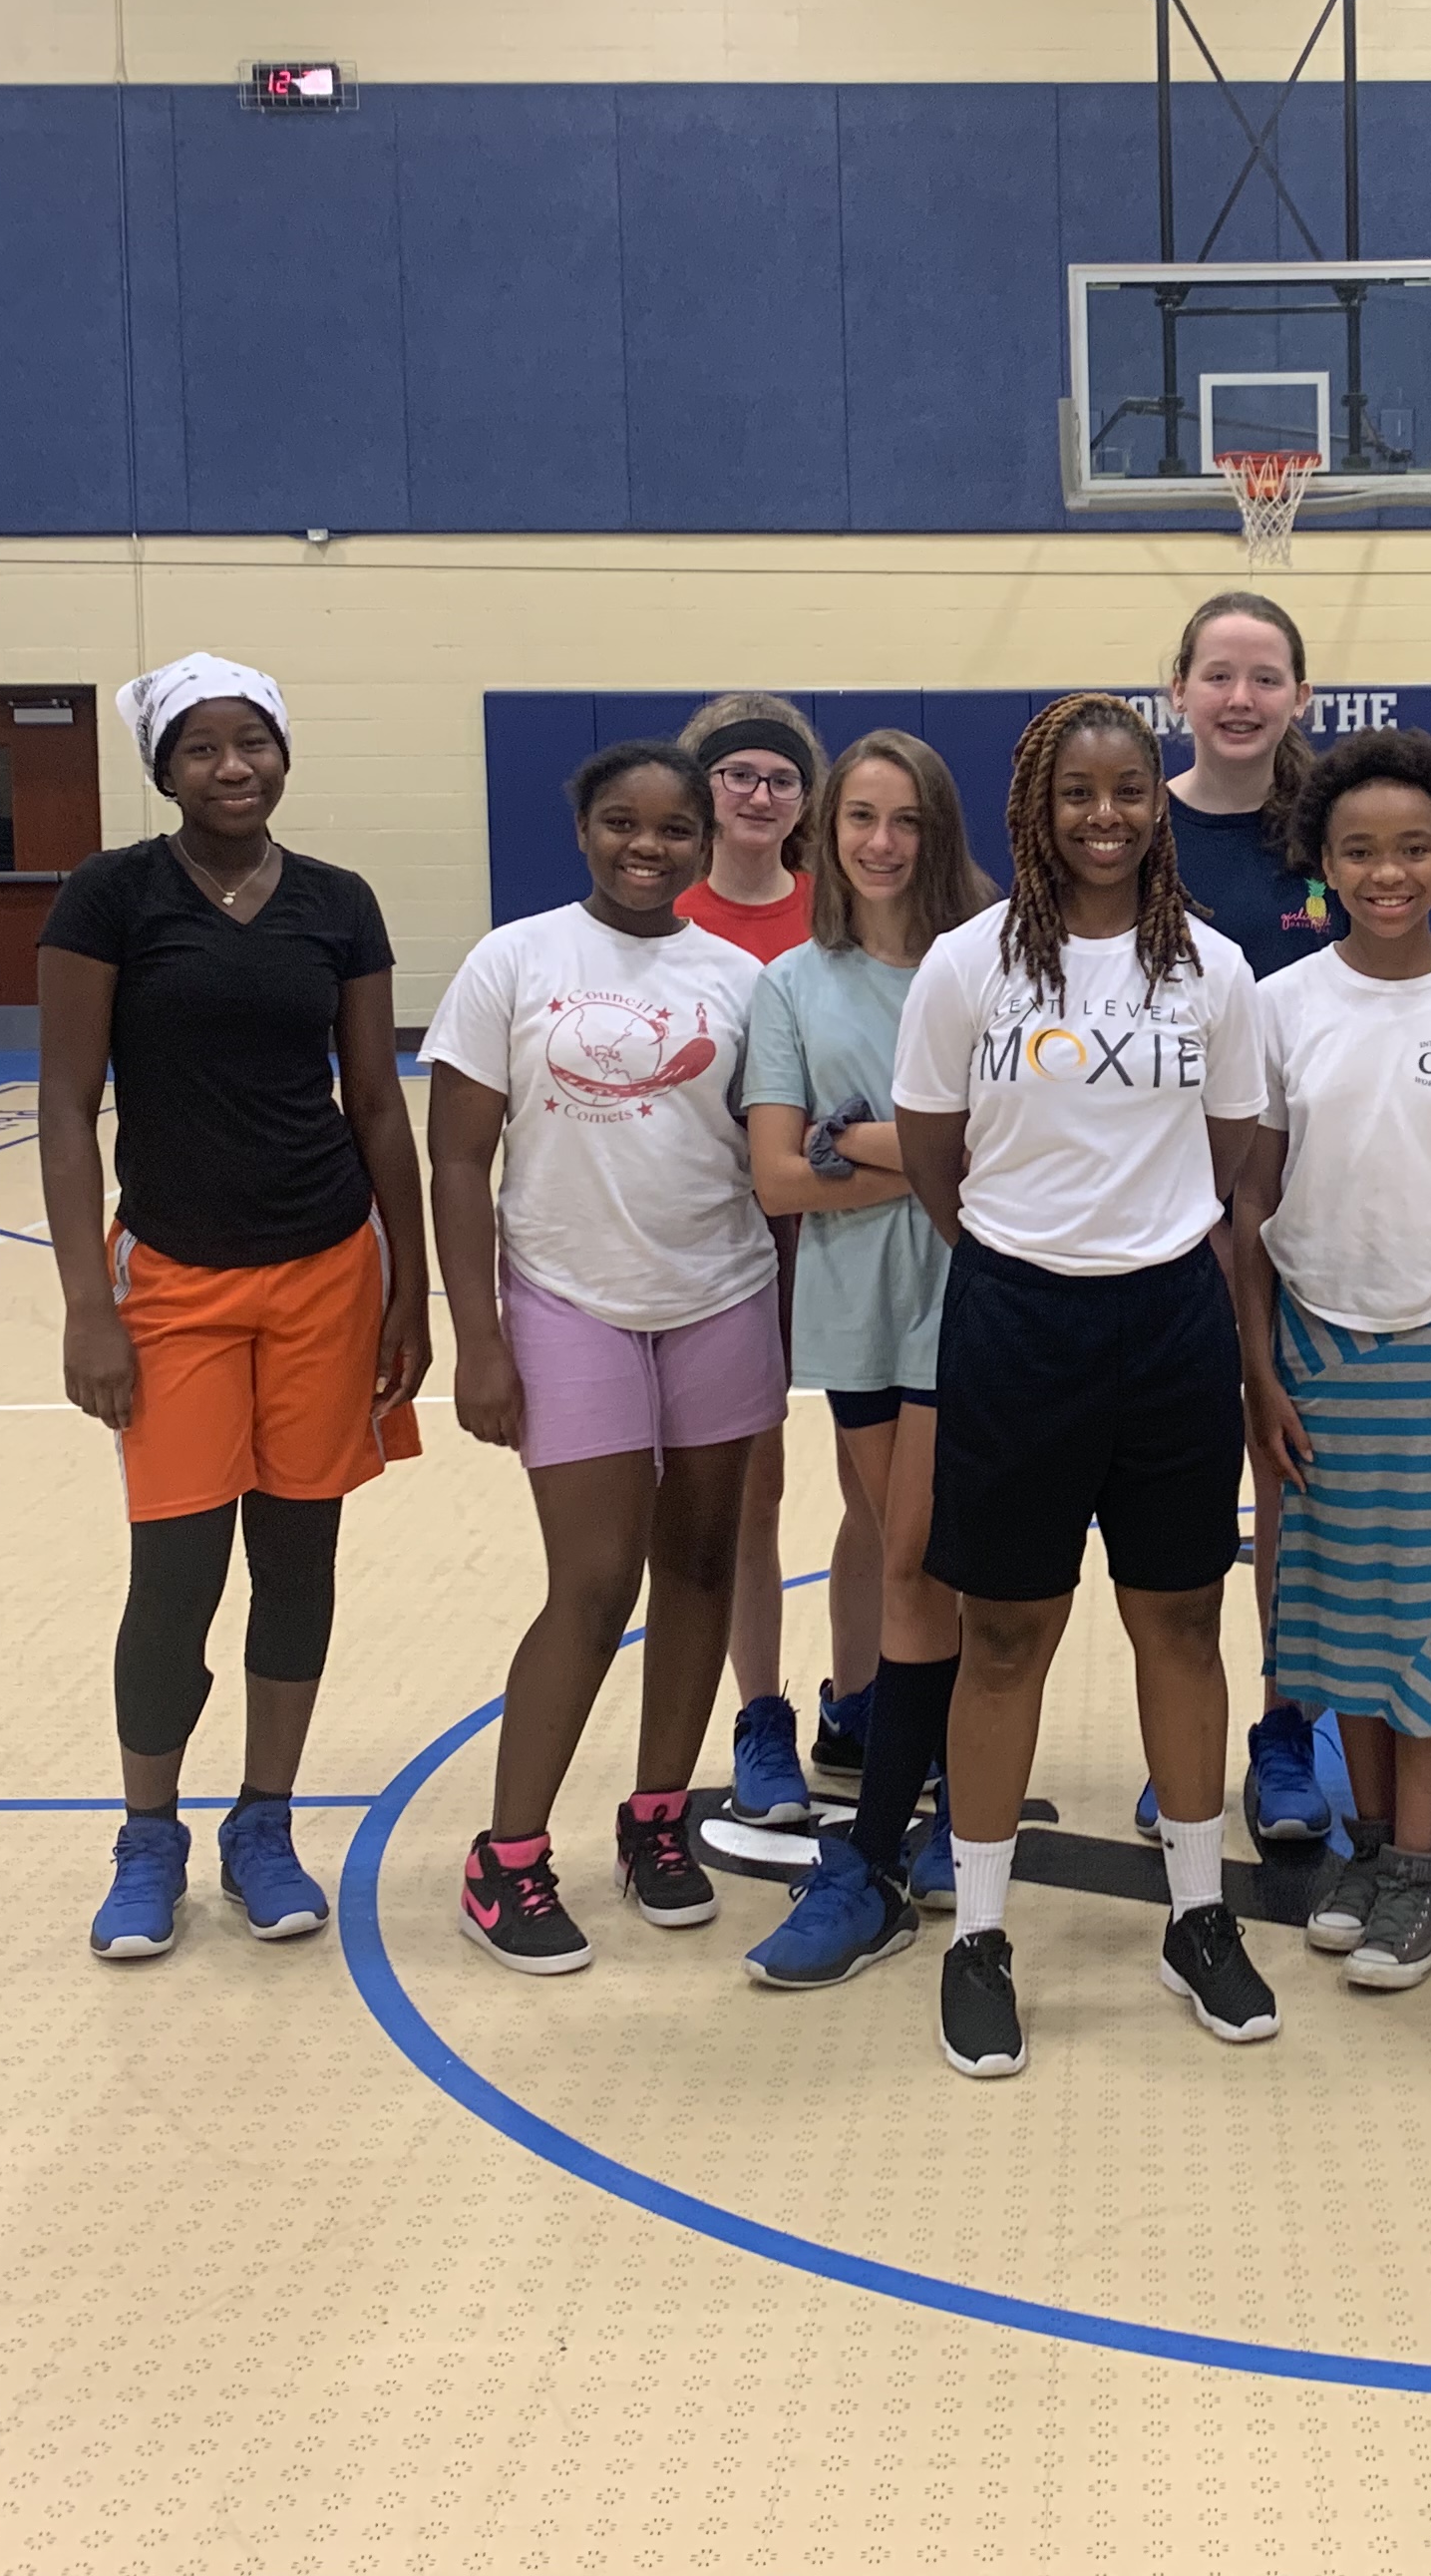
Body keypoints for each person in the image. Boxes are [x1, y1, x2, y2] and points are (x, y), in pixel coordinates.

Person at [892, 692, 1275, 2079]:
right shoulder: (967, 966)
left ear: (1156, 805)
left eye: (1129, 792)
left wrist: (1137, 1236)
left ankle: (1197, 1913)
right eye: (1077, 795)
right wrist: (1031, 1255)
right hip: (1014, 1318)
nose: (1105, 816)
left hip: (1171, 1321)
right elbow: (934, 1151)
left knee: (1180, 1618)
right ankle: (979, 1936)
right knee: (1005, 1634)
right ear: (1035, 811)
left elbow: (1232, 1146)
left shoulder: (1214, 972)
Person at [43, 654, 432, 1963]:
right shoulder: (113, 897)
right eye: (201, 747)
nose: (231, 766)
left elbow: (379, 1104)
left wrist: (410, 1290)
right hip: (175, 1283)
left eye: (252, 742)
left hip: (327, 1269)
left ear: (283, 754)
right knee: (176, 1570)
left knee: (298, 1558)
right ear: (163, 767)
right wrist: (86, 1307)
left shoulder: (338, 903)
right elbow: (61, 1108)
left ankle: (263, 1821)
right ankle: (147, 1833)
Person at [423, 740, 785, 1976]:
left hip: (720, 1294)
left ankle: (658, 1821)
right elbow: (460, 1160)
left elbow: (770, 1156)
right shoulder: (511, 960)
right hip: (567, 1299)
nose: (649, 846)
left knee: (697, 1565)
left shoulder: (742, 980)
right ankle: (508, 1857)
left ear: (705, 841)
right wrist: (478, 1337)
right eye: (623, 823)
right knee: (591, 1582)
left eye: (675, 828)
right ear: (582, 829)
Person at [1228, 729, 1431, 1995]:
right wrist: (1259, 1372)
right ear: (1321, 862)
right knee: (1344, 1616)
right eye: (1358, 849)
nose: (1387, 871)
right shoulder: (1279, 1003)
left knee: (1430, 1619)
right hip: (1314, 1342)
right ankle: (1372, 1847)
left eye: (1413, 848)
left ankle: (1423, 1872)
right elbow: (1249, 1206)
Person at [737, 731, 997, 1988]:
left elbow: (1019, 1151)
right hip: (854, 1309)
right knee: (903, 1551)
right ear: (826, 835)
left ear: (939, 830)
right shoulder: (792, 984)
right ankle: (931, 1810)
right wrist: (919, 1152)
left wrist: (870, 1141)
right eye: (860, 821)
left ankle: (892, 1838)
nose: (883, 844)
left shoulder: (994, 962)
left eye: (906, 820)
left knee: (917, 1552)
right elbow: (783, 1170)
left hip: (982, 1294)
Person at [1157, 590, 1338, 1851]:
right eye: (1216, 676)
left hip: (1316, 1208)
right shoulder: (1129, 831)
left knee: (1288, 1481)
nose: (1238, 698)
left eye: (1263, 677)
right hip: (1161, 1215)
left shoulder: (1334, 833)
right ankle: (1183, 1743)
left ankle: (1284, 1736)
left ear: (1300, 699)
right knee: (1174, 1496)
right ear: (1177, 694)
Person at [674, 693, 828, 1839]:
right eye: (740, 777)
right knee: (754, 1488)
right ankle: (761, 1712)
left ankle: (866, 1700)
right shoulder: (664, 918)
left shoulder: (844, 911)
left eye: (780, 778)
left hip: (856, 1222)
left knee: (885, 1487)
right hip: (731, 1236)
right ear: (705, 788)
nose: (760, 796)